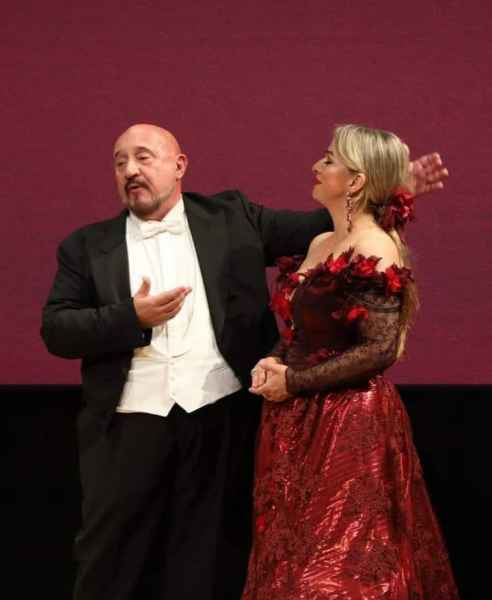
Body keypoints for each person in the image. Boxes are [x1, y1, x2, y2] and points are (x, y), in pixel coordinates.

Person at [41, 123, 448, 600]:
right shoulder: (86, 246)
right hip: (128, 428)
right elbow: (57, 330)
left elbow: (333, 225)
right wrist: (130, 317)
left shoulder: (232, 217)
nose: (131, 169)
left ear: (179, 165)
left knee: (208, 564)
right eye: (119, 161)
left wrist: (389, 185)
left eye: (144, 157)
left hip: (221, 421)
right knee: (110, 565)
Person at [242, 124, 459, 599]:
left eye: (328, 160)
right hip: (294, 423)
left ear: (356, 180)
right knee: (289, 564)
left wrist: (293, 381)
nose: (316, 167)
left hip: (348, 423)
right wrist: (273, 362)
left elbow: (379, 349)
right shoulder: (321, 243)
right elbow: (301, 331)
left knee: (339, 574)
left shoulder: (375, 246)